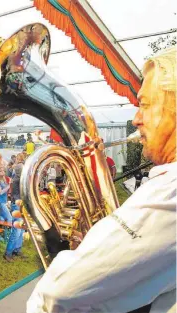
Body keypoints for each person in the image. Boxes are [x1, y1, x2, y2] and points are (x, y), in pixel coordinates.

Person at [27, 47, 176, 313]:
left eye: (145, 104)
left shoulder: (169, 194)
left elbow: (59, 293)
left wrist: (62, 252)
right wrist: (98, 242)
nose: (136, 119)